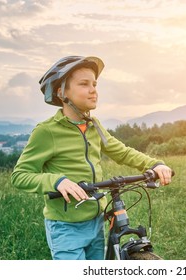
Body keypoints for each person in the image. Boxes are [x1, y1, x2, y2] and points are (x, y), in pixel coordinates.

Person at [11, 55, 173, 260]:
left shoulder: (93, 125)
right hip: (65, 227)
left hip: (96, 221)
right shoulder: (47, 131)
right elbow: (20, 175)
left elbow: (121, 151)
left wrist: (154, 164)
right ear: (62, 92)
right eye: (84, 84)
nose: (93, 89)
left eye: (95, 84)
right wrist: (57, 181)